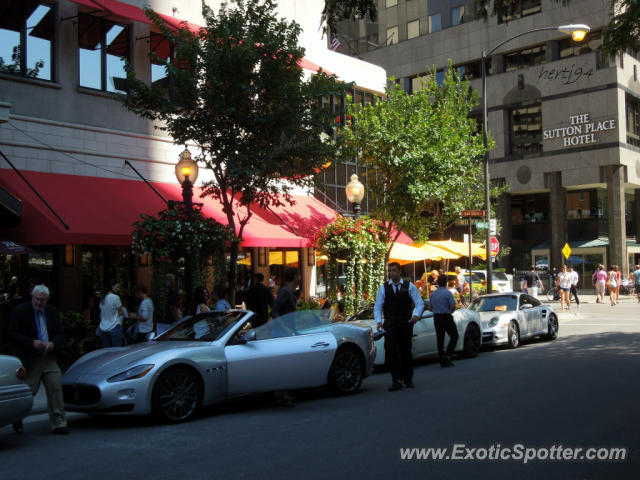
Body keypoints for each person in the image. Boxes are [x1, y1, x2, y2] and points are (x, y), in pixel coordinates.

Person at [8, 284, 69, 435]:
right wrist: (32, 342)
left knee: (55, 386)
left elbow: (60, 334)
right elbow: (12, 334)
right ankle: (17, 418)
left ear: (47, 299)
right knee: (28, 391)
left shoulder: (52, 313)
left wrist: (53, 343)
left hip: (48, 357)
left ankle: (59, 422)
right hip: (31, 358)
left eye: (43, 300)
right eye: (37, 299)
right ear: (32, 297)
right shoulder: (21, 311)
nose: (39, 303)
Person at [374, 262, 424, 391]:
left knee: (406, 350)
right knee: (392, 351)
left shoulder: (409, 287)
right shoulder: (383, 288)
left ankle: (408, 379)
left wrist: (416, 315)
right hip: (390, 324)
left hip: (405, 323)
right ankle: (396, 379)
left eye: (394, 270)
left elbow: (419, 303)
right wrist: (379, 321)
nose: (391, 273)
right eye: (389, 271)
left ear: (400, 271)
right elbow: (378, 306)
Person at [271, 267, 301, 406]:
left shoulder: (290, 292)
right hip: (281, 334)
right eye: (299, 275)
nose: (300, 277)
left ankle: (283, 393)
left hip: (286, 333)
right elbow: (275, 312)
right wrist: (285, 328)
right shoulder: (285, 292)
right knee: (283, 365)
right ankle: (280, 394)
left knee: (285, 365)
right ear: (295, 277)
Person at [429, 274, 458, 368]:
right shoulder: (448, 293)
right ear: (446, 282)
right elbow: (453, 307)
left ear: (438, 283)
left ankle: (442, 359)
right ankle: (447, 355)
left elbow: (430, 308)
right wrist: (450, 310)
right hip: (446, 316)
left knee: (440, 339)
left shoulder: (433, 294)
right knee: (454, 336)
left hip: (437, 317)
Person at [97, 280, 124, 348]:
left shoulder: (102, 298)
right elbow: (121, 312)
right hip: (114, 326)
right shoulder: (115, 297)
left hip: (103, 327)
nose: (118, 289)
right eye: (117, 287)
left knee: (107, 352)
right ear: (112, 286)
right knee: (116, 351)